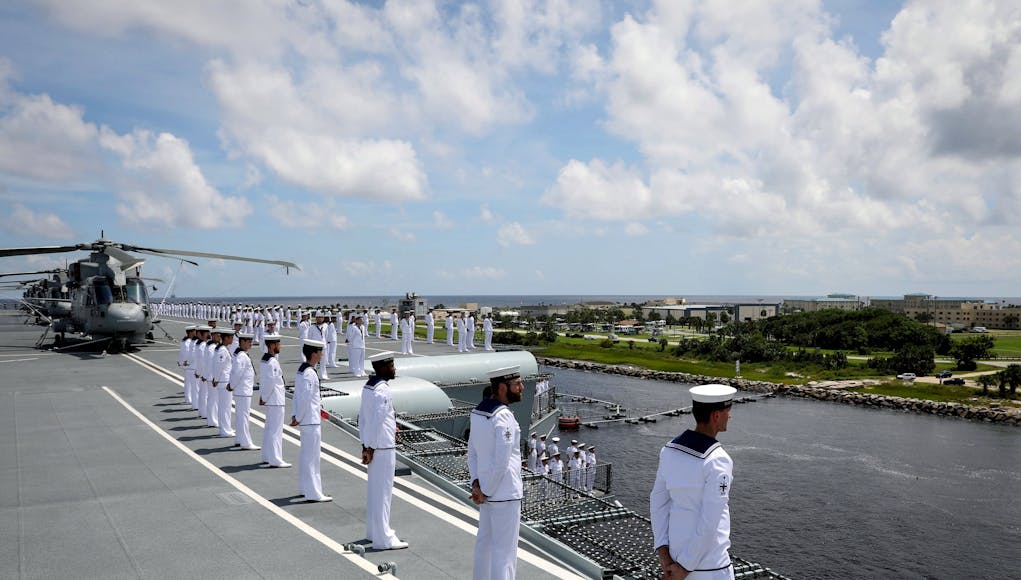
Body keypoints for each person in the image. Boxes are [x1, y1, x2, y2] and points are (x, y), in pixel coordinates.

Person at [650, 384, 736, 580]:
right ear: (716, 416)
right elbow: (710, 521)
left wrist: (664, 554)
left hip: (673, 563)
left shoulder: (669, 450)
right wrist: (685, 566)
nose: (730, 416)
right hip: (710, 569)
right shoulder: (718, 460)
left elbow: (658, 503)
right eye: (727, 411)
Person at [467, 365, 525, 580]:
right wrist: (486, 491)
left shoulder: (478, 412)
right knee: (505, 554)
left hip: (486, 492)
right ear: (502, 388)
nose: (522, 387)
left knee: (485, 546)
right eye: (517, 384)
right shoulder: (504, 417)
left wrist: (476, 486)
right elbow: (502, 462)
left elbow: (471, 453)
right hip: (504, 493)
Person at [359, 352, 409, 550]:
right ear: (382, 368)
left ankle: (373, 532)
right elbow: (378, 420)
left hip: (373, 445)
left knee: (375, 492)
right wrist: (371, 447)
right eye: (391, 365)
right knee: (383, 493)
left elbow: (364, 418)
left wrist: (365, 444)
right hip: (382, 447)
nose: (394, 369)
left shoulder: (368, 387)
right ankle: (384, 538)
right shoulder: (382, 390)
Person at [291, 339, 331, 502]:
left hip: (307, 417)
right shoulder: (309, 373)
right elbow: (305, 398)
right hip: (310, 420)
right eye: (320, 351)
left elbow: (297, 396)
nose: (322, 354)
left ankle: (305, 488)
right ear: (314, 353)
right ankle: (314, 492)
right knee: (312, 458)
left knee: (306, 456)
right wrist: (298, 418)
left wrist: (295, 415)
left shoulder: (302, 371)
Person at [258, 334, 290, 468]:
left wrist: (263, 396)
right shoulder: (272, 362)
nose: (280, 346)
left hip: (270, 398)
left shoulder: (265, 360)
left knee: (269, 428)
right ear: (272, 345)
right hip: (275, 399)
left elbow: (264, 381)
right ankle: (275, 459)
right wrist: (264, 397)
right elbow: (270, 382)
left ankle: (267, 456)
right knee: (275, 430)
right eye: (278, 344)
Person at [230, 331, 259, 450]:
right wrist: (231, 385)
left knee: (241, 416)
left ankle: (239, 439)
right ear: (242, 342)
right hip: (243, 390)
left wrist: (232, 385)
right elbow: (237, 373)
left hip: (242, 390)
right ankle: (246, 442)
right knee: (244, 417)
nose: (251, 344)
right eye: (248, 341)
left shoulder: (241, 354)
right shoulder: (242, 356)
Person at [213, 328, 236, 439]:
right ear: (226, 338)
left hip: (223, 380)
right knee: (224, 407)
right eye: (231, 337)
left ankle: (227, 428)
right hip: (223, 381)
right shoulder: (222, 350)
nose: (232, 339)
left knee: (226, 407)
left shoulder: (222, 348)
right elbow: (219, 366)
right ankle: (224, 430)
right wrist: (216, 379)